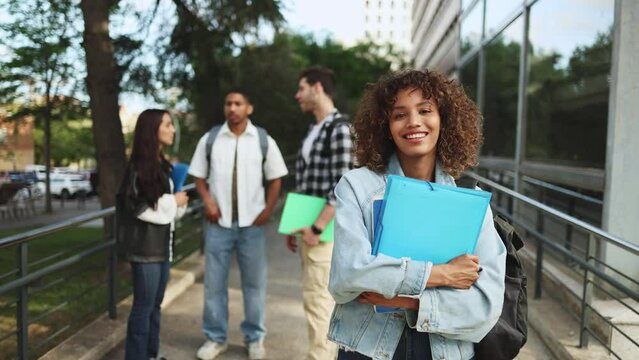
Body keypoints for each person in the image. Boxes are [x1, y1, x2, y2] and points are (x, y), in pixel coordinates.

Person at [327, 70, 507, 360]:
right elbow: (347, 277)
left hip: (445, 350)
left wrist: (409, 301)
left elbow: (484, 308)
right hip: (369, 346)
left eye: (425, 110)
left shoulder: (471, 200)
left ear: (443, 120)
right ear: (386, 126)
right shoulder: (357, 187)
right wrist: (441, 274)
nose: (413, 122)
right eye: (400, 115)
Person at [189, 90, 288, 360]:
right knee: (214, 285)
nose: (232, 108)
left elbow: (276, 177)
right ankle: (215, 338)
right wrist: (207, 200)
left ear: (249, 108)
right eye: (228, 103)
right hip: (218, 223)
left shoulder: (263, 140)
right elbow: (198, 175)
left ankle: (255, 338)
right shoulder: (210, 139)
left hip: (251, 225)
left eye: (238, 104)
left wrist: (268, 210)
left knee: (255, 284)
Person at [286, 65, 354, 360]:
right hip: (310, 229)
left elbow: (342, 183)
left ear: (317, 88)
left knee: (319, 303)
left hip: (324, 233)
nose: (297, 95)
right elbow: (307, 184)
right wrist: (296, 225)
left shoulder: (339, 128)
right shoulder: (315, 130)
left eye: (301, 88)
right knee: (314, 301)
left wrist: (316, 228)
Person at [117, 109, 189, 360]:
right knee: (143, 308)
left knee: (155, 307)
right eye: (167, 125)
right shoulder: (138, 167)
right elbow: (138, 207)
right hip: (145, 250)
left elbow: (163, 209)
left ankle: (150, 355)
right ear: (153, 130)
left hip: (161, 248)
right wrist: (173, 200)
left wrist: (177, 204)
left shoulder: (162, 165)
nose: (173, 129)